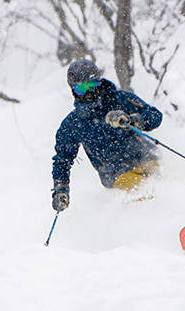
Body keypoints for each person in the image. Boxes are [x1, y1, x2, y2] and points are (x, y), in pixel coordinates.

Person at [51, 59, 163, 212]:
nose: (89, 93)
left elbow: (154, 115)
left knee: (168, 181)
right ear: (73, 90)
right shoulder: (73, 124)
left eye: (92, 85)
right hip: (117, 172)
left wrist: (133, 120)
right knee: (145, 189)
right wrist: (61, 189)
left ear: (99, 82)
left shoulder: (119, 99)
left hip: (146, 157)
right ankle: (162, 221)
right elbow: (62, 159)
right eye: (82, 88)